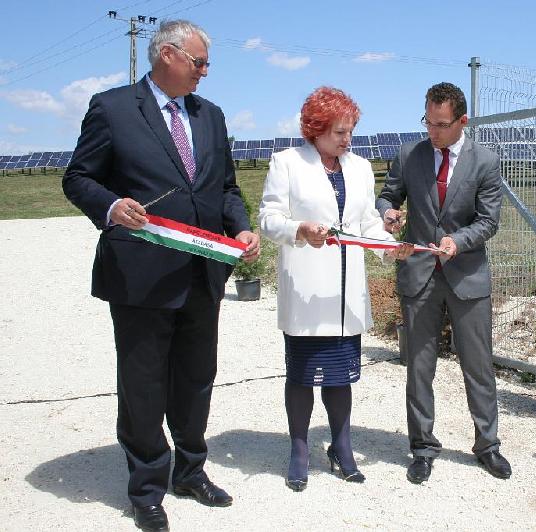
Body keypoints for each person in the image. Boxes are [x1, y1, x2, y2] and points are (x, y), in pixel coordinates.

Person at [62, 20, 259, 532]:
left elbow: (225, 188)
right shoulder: (112, 108)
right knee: (144, 383)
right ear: (167, 54)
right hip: (141, 274)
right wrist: (111, 206)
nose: (205, 71)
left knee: (196, 379)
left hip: (202, 272)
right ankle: (147, 489)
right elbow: (77, 177)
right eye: (199, 61)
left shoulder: (210, 115)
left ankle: (190, 472)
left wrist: (239, 228)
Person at [258, 86, 412, 492]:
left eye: (351, 131)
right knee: (302, 375)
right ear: (316, 129)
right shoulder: (287, 163)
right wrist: (299, 230)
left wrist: (391, 246)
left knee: (341, 375)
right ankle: (299, 449)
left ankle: (341, 447)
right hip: (307, 289)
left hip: (346, 292)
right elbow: (268, 220)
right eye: (340, 132)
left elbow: (367, 225)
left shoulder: (360, 168)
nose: (348, 140)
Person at [376, 82, 511, 483]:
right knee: (419, 368)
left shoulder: (486, 162)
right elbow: (388, 196)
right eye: (428, 122)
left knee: (478, 366)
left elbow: (488, 221)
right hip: (419, 276)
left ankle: (487, 446)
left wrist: (458, 241)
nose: (432, 131)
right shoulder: (409, 155)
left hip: (467, 276)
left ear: (462, 121)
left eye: (440, 124)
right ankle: (422, 448)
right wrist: (388, 214)